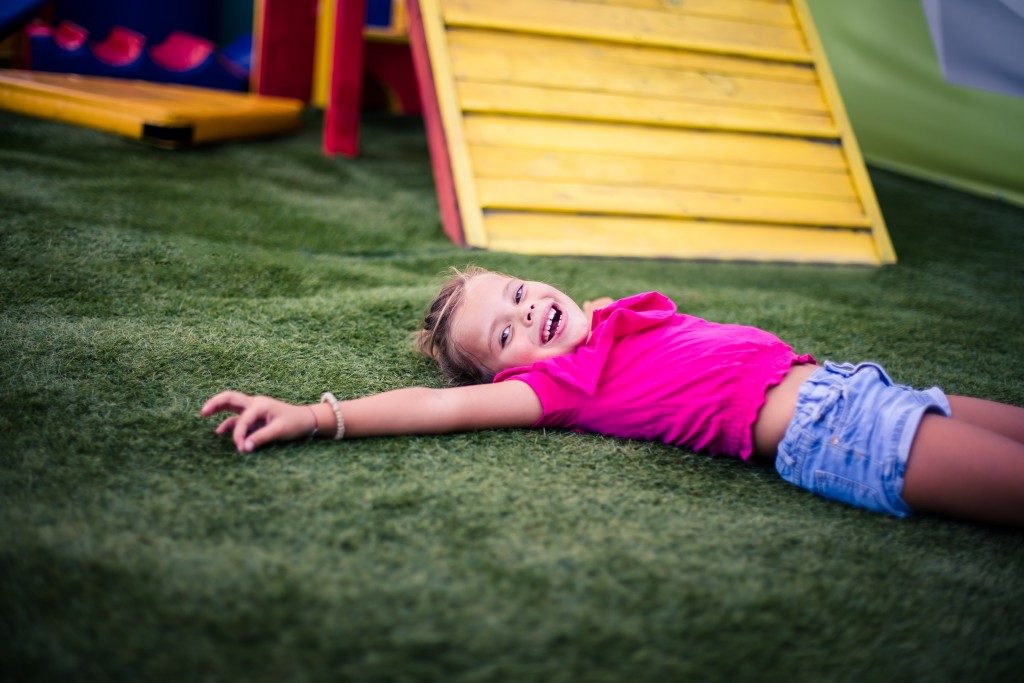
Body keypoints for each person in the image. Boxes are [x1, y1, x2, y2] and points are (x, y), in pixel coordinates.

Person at [202, 266, 1024, 526]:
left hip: (856, 384)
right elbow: (438, 402)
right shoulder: (550, 385)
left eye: (518, 291)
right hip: (836, 431)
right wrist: (318, 414)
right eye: (504, 333)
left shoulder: (599, 324)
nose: (526, 310)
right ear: (508, 374)